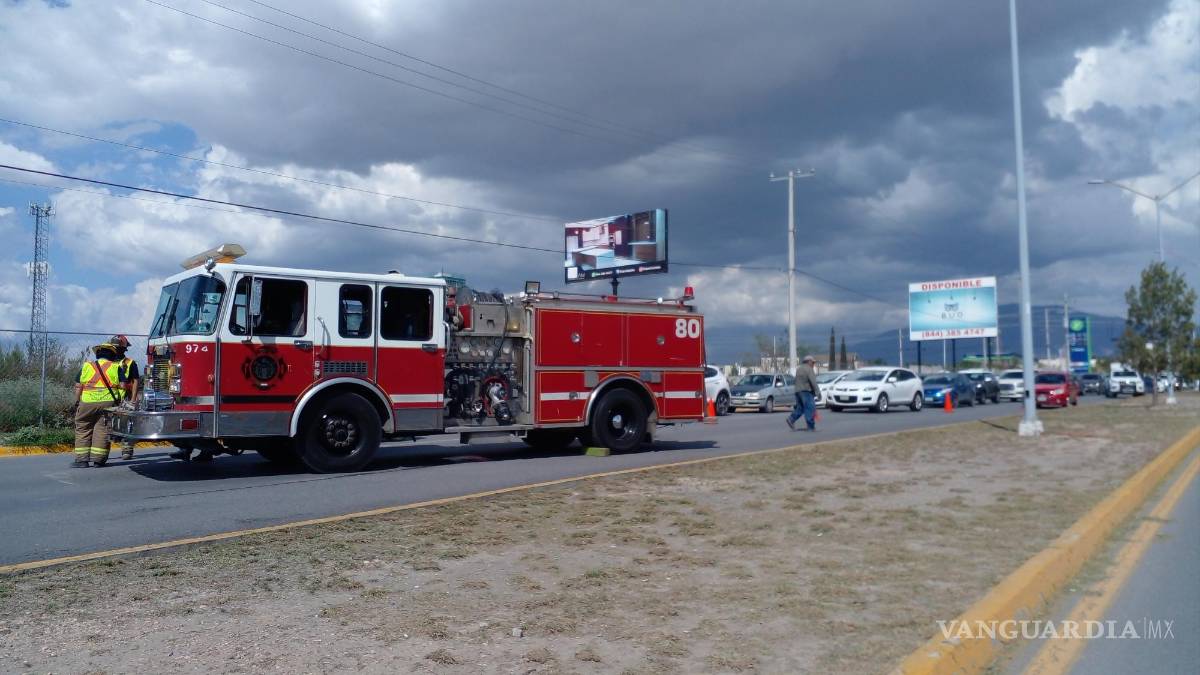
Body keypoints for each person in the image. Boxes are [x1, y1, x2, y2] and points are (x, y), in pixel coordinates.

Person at [72, 342, 125, 468]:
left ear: (97, 354)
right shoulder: (116, 367)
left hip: (87, 402)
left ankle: (82, 461)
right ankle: (98, 460)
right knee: (103, 430)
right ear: (112, 355)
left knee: (83, 428)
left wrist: (77, 401)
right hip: (108, 403)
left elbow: (78, 386)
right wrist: (120, 400)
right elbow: (123, 386)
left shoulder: (87, 366)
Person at [111, 334, 140, 460]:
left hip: (125, 400)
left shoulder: (130, 363)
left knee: (127, 425)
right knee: (107, 425)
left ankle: (127, 450)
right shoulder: (108, 363)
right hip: (109, 398)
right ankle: (101, 452)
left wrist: (133, 400)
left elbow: (135, 381)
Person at [787, 355, 820, 432]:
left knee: (800, 408)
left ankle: (791, 419)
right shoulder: (809, 369)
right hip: (806, 391)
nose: (813, 364)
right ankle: (810, 426)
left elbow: (796, 381)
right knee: (810, 408)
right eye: (813, 362)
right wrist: (818, 392)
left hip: (797, 391)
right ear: (809, 362)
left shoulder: (799, 369)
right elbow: (813, 381)